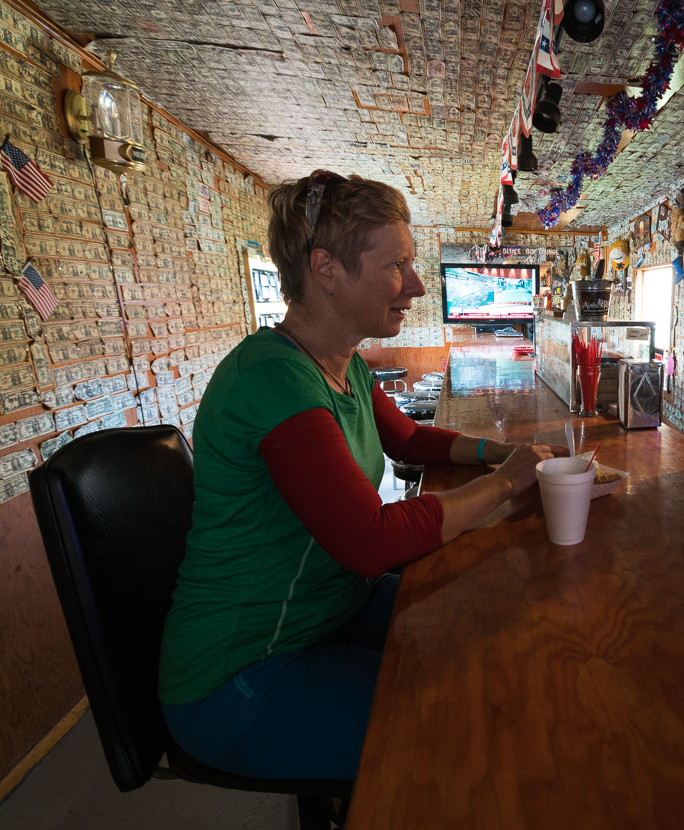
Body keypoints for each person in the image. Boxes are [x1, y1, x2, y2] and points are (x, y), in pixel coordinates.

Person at [159, 170, 565, 780]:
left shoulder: (341, 364)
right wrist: (507, 483)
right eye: (397, 265)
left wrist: (500, 452)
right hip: (241, 670)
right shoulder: (274, 378)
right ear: (327, 269)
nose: (418, 285)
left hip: (330, 611)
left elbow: (407, 438)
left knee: (487, 630)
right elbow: (371, 540)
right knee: (471, 723)